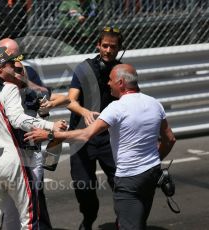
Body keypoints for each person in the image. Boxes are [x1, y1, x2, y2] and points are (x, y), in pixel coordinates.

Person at [24, 63, 177, 230]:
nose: (108, 83)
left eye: (111, 80)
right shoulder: (154, 103)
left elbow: (85, 135)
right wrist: (154, 160)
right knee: (139, 221)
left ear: (121, 83)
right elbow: (169, 139)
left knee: (129, 225)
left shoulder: (117, 108)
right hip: (151, 173)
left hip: (129, 179)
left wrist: (51, 135)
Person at [0, 47, 66, 229]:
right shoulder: (8, 88)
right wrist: (51, 126)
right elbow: (18, 119)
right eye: (13, 66)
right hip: (13, 160)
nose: (18, 70)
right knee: (29, 218)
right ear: (0, 68)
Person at [65, 26, 123, 229]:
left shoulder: (122, 72)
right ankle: (88, 218)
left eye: (113, 47)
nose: (108, 50)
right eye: (105, 45)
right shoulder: (84, 68)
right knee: (84, 186)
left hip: (109, 137)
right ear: (98, 46)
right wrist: (85, 112)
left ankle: (122, 221)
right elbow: (70, 101)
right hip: (82, 137)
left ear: (119, 49)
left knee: (121, 183)